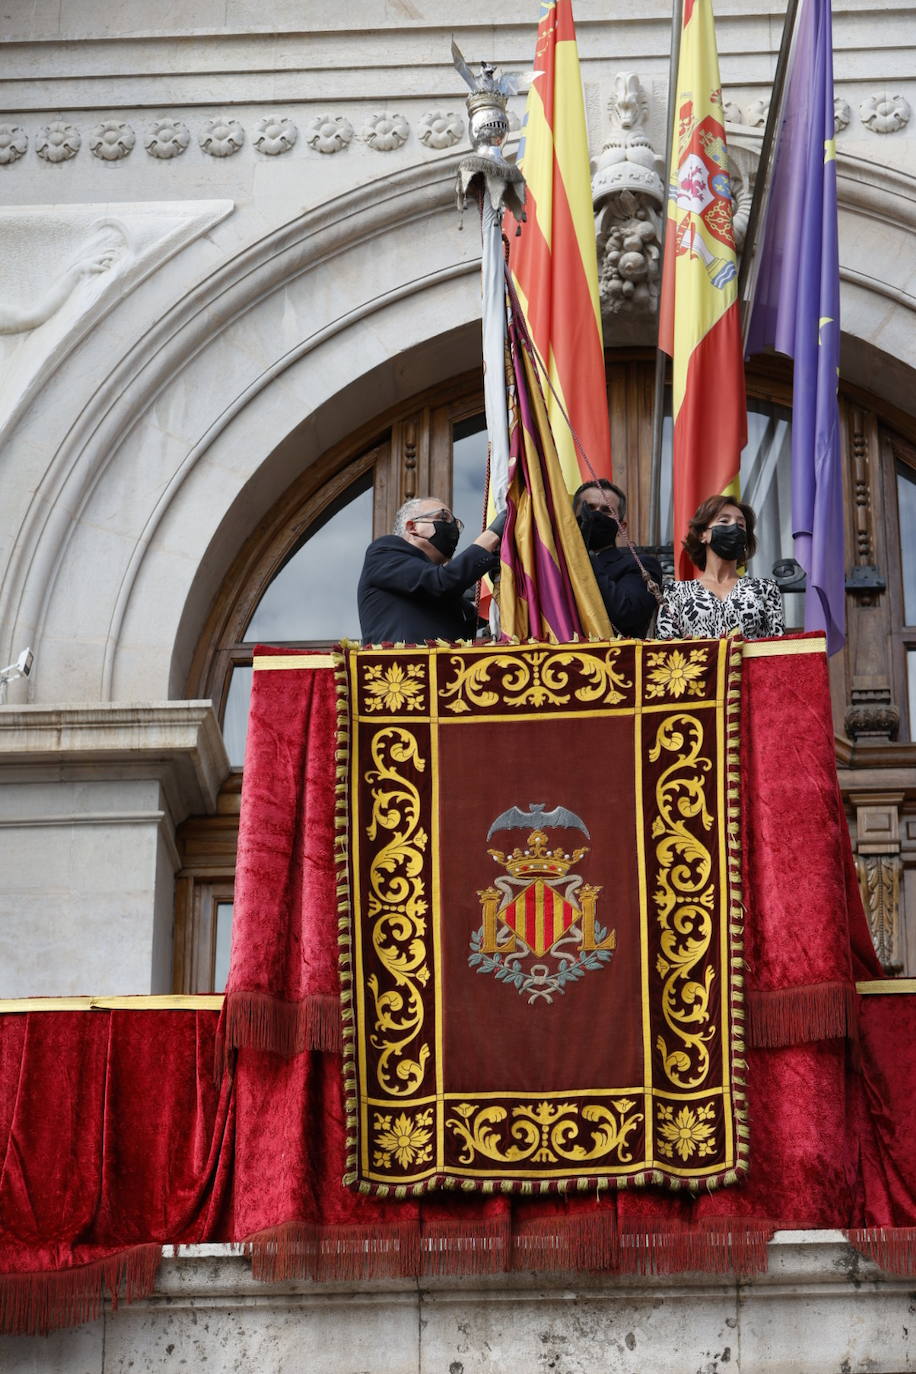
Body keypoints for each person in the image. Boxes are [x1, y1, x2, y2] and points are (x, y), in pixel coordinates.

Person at [358, 496, 503, 644]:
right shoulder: (384, 551)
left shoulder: (452, 597)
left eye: (456, 524)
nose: (452, 527)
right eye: (443, 517)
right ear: (412, 527)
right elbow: (442, 582)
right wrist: (493, 534)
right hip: (403, 665)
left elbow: (472, 614)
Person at [656, 494, 785, 640]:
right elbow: (665, 649)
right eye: (724, 521)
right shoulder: (676, 592)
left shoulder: (765, 589)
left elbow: (778, 648)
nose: (734, 527)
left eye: (741, 525)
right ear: (702, 535)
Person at [573, 479, 663, 638]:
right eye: (589, 508)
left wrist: (586, 555)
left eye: (606, 510)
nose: (596, 515)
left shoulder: (640, 565)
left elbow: (626, 615)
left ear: (622, 527)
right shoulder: (553, 563)